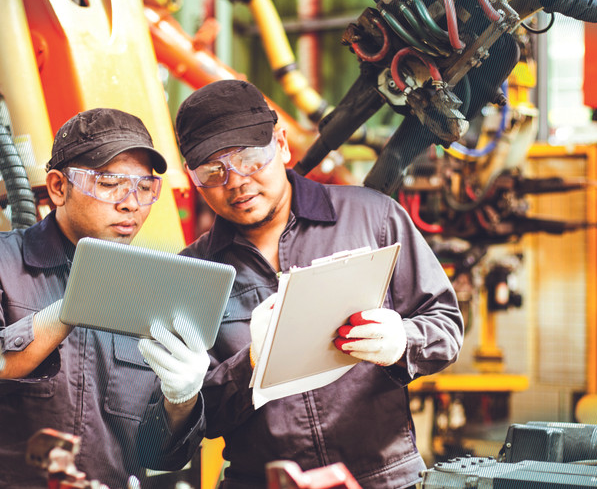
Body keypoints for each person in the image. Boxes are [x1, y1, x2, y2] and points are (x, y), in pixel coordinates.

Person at [173, 80, 465, 489]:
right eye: (212, 171)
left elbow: (446, 325)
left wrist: (403, 341)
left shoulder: (373, 218)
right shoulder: (192, 274)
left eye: (251, 159)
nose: (236, 181)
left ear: (282, 144)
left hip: (384, 479)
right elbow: (194, 422)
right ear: (192, 176)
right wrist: (252, 364)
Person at [0, 108, 207, 489]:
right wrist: (66, 310)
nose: (130, 203)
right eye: (109, 183)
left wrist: (182, 402)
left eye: (144, 187)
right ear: (58, 187)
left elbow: (161, 455)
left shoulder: (156, 289)